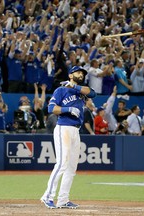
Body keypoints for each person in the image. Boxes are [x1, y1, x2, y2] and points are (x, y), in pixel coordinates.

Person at [40, 66, 96, 209]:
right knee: (62, 163)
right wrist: (68, 109)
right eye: (78, 73)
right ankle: (47, 196)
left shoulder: (80, 91)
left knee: (72, 167)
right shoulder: (61, 90)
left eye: (82, 74)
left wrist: (74, 86)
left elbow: (93, 93)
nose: (81, 75)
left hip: (76, 131)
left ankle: (63, 199)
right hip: (63, 128)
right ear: (71, 74)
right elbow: (51, 109)